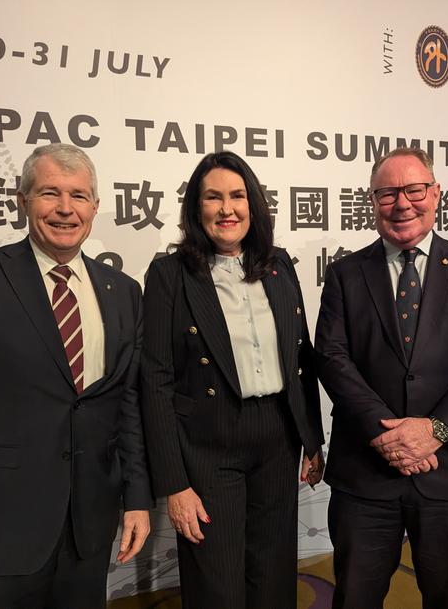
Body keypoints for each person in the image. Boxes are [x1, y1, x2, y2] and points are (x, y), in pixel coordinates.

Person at [0, 143, 152, 609]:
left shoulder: (123, 292)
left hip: (89, 532)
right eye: (49, 194)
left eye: (79, 196)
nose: (65, 209)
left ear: (95, 207)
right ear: (22, 201)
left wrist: (137, 497)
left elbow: (126, 408)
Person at [315, 147, 448, 608]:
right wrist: (385, 434)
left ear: (436, 193)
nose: (402, 203)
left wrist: (435, 430)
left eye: (414, 189)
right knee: (354, 596)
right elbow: (332, 357)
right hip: (367, 473)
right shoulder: (346, 274)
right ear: (372, 200)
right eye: (388, 193)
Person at [140, 151, 324, 609]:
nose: (227, 209)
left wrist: (312, 440)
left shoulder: (279, 265)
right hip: (207, 445)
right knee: (216, 584)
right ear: (195, 208)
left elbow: (302, 357)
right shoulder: (170, 274)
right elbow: (156, 380)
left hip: (278, 439)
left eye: (238, 196)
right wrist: (174, 484)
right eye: (213, 197)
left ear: (253, 204)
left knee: (274, 574)